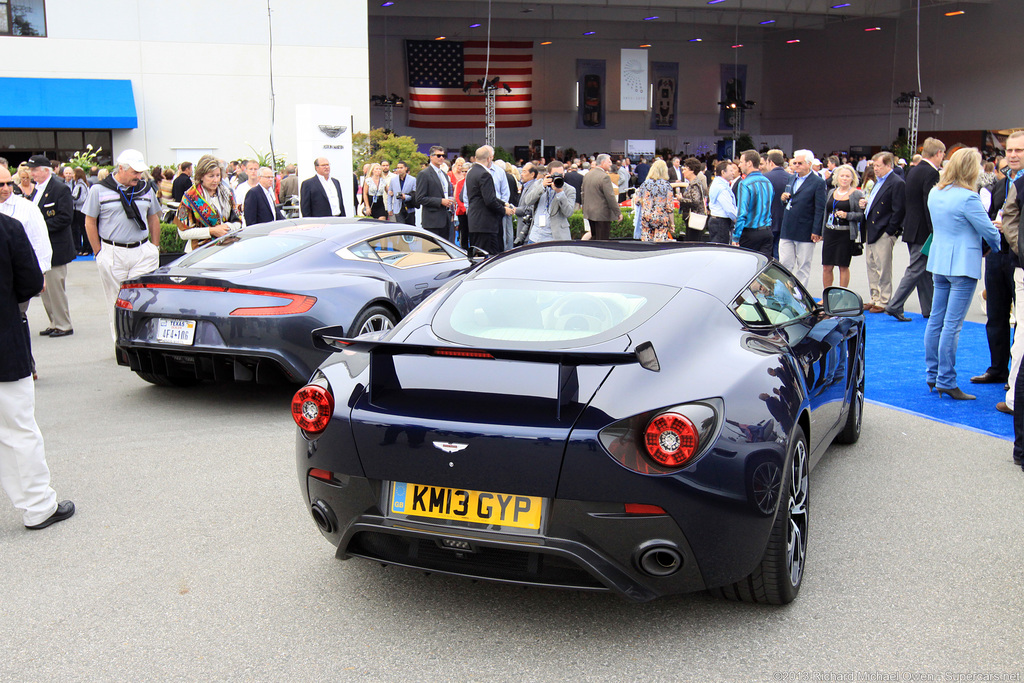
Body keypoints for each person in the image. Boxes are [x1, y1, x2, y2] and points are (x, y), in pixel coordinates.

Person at [0, 213, 74, 530]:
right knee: (18, 430)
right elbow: (31, 283)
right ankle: (38, 506)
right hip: (3, 344)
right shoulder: (7, 228)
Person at [924, 147, 1001, 401]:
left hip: (940, 261)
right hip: (963, 265)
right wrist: (999, 243)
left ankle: (933, 374)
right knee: (952, 325)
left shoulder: (936, 192)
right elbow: (989, 231)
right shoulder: (968, 197)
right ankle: (946, 379)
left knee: (936, 320)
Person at [84, 149, 163, 341]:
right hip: (113, 251)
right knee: (116, 300)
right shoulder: (99, 190)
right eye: (134, 172)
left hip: (143, 251)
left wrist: (154, 247)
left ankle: (142, 339)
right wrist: (98, 252)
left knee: (143, 298)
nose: (138, 176)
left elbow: (153, 217)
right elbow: (89, 221)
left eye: (140, 172)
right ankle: (121, 341)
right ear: (121, 168)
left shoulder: (145, 189)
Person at [0, 166, 51, 381]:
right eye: (0, 185)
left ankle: (26, 366)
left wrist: (41, 273)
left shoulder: (26, 208)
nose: (5, 189)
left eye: (8, 184)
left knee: (17, 318)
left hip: (17, 279)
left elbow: (40, 241)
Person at [886, 137, 944, 322]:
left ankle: (929, 308)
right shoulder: (931, 173)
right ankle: (895, 304)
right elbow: (930, 204)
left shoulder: (913, 170)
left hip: (912, 227)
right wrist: (935, 230)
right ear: (939, 153)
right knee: (918, 269)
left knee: (924, 270)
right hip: (924, 230)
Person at [26, 155, 75, 338]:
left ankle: (64, 324)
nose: (31, 173)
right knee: (45, 288)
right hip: (41, 248)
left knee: (56, 287)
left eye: (34, 169)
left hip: (57, 247)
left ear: (45, 170)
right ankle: (54, 321)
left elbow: (65, 217)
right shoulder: (37, 190)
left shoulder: (59, 188)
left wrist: (40, 226)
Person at [859, 152, 906, 313]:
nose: (875, 169)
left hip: (884, 231)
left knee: (883, 267)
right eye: (874, 165)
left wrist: (890, 231)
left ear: (889, 165)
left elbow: (899, 210)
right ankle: (875, 297)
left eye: (878, 166)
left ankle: (884, 299)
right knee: (871, 265)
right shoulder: (877, 182)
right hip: (871, 229)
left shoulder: (896, 183)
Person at [778, 149, 827, 289]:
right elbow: (788, 200)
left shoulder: (817, 182)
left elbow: (820, 208)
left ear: (809, 164)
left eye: (800, 163)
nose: (796, 166)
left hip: (805, 229)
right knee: (785, 263)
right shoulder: (791, 178)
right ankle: (784, 292)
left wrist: (817, 230)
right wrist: (783, 199)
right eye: (795, 163)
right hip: (788, 226)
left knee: (803, 265)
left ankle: (800, 295)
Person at [174, 154, 241, 252]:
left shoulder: (227, 194)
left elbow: (238, 221)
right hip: (199, 253)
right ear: (201, 176)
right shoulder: (190, 198)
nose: (216, 180)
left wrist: (226, 228)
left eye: (218, 175)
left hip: (226, 250)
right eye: (211, 176)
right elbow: (183, 232)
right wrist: (212, 231)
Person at [465, 145, 514, 254]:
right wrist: (504, 210)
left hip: (475, 222)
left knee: (478, 256)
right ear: (488, 159)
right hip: (486, 224)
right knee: (489, 257)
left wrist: (503, 203)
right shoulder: (484, 174)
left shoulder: (471, 172)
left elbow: (484, 196)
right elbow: (489, 200)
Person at [821, 165, 863, 289]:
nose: (844, 178)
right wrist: (822, 232)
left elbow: (861, 215)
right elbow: (826, 213)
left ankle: (842, 294)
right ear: (837, 178)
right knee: (826, 266)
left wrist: (847, 215)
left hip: (845, 234)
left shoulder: (856, 194)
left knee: (843, 266)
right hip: (830, 232)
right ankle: (827, 295)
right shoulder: (831, 192)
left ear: (852, 179)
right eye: (842, 176)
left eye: (847, 176)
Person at [517, 160, 575, 244]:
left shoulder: (569, 190)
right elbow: (528, 201)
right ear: (548, 174)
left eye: (561, 174)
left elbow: (568, 212)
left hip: (557, 238)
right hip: (536, 236)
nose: (558, 177)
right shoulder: (539, 184)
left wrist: (560, 193)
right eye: (555, 174)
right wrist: (542, 187)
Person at [731, 150, 774, 257]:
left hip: (750, 233)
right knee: (763, 269)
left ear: (749, 163)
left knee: (746, 268)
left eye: (741, 162)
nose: (739, 165)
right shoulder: (767, 182)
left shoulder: (745, 184)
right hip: (767, 231)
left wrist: (736, 236)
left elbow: (742, 212)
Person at [416, 146, 456, 242]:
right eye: (438, 155)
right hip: (432, 221)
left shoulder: (444, 174)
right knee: (433, 251)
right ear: (431, 157)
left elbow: (445, 193)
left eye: (443, 156)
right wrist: (440, 201)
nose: (441, 158)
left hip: (446, 217)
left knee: (446, 249)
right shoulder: (424, 174)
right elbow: (420, 198)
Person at [581, 154, 622, 240]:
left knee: (594, 238)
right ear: (603, 162)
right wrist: (618, 212)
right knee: (602, 241)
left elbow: (583, 193)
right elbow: (610, 197)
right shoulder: (604, 177)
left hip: (590, 213)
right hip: (602, 214)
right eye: (609, 162)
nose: (611, 164)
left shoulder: (588, 175)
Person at [635, 159, 675, 242]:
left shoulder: (645, 184)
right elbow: (669, 207)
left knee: (646, 245)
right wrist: (672, 224)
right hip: (661, 218)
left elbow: (637, 201)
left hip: (646, 217)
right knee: (659, 246)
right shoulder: (667, 185)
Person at [763, 150, 792, 258]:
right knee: (780, 254)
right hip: (785, 220)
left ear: (770, 162)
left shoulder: (765, 178)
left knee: (767, 255)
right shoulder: (791, 178)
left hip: (768, 221)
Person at [707, 160, 738, 245]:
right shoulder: (721, 188)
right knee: (721, 248)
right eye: (731, 171)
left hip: (717, 220)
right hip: (721, 222)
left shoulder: (718, 183)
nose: (733, 172)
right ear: (723, 172)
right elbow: (729, 210)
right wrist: (738, 220)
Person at [678, 158, 708, 242]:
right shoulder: (693, 183)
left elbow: (695, 201)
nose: (683, 171)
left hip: (694, 219)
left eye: (685, 169)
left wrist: (681, 199)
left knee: (692, 242)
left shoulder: (695, 184)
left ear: (692, 170)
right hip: (692, 218)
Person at [66, 166, 90, 256]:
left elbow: (80, 198)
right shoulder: (79, 184)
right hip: (78, 209)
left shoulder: (81, 185)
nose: (72, 175)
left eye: (74, 174)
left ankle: (86, 248)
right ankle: (82, 248)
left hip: (80, 210)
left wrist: (70, 198)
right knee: (79, 229)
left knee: (82, 229)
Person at [387, 161, 416, 226]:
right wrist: (389, 208)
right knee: (400, 227)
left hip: (409, 208)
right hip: (397, 208)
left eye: (401, 168)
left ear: (406, 168)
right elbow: (389, 195)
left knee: (410, 228)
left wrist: (405, 197)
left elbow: (415, 194)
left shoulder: (412, 179)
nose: (399, 170)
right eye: (398, 168)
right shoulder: (393, 180)